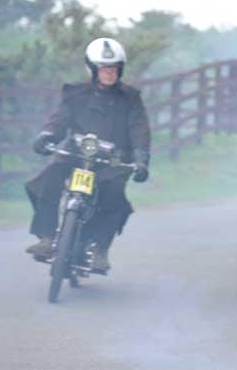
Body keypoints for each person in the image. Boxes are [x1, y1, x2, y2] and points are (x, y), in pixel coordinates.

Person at [25, 37, 151, 272]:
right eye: (104, 69)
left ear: (120, 70)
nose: (109, 74)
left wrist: (141, 159)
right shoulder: (75, 93)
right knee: (47, 178)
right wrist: (46, 137)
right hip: (75, 153)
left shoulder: (131, 98)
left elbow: (139, 129)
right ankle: (46, 237)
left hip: (112, 160)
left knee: (113, 195)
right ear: (93, 69)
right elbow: (59, 119)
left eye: (113, 69)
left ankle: (100, 250)